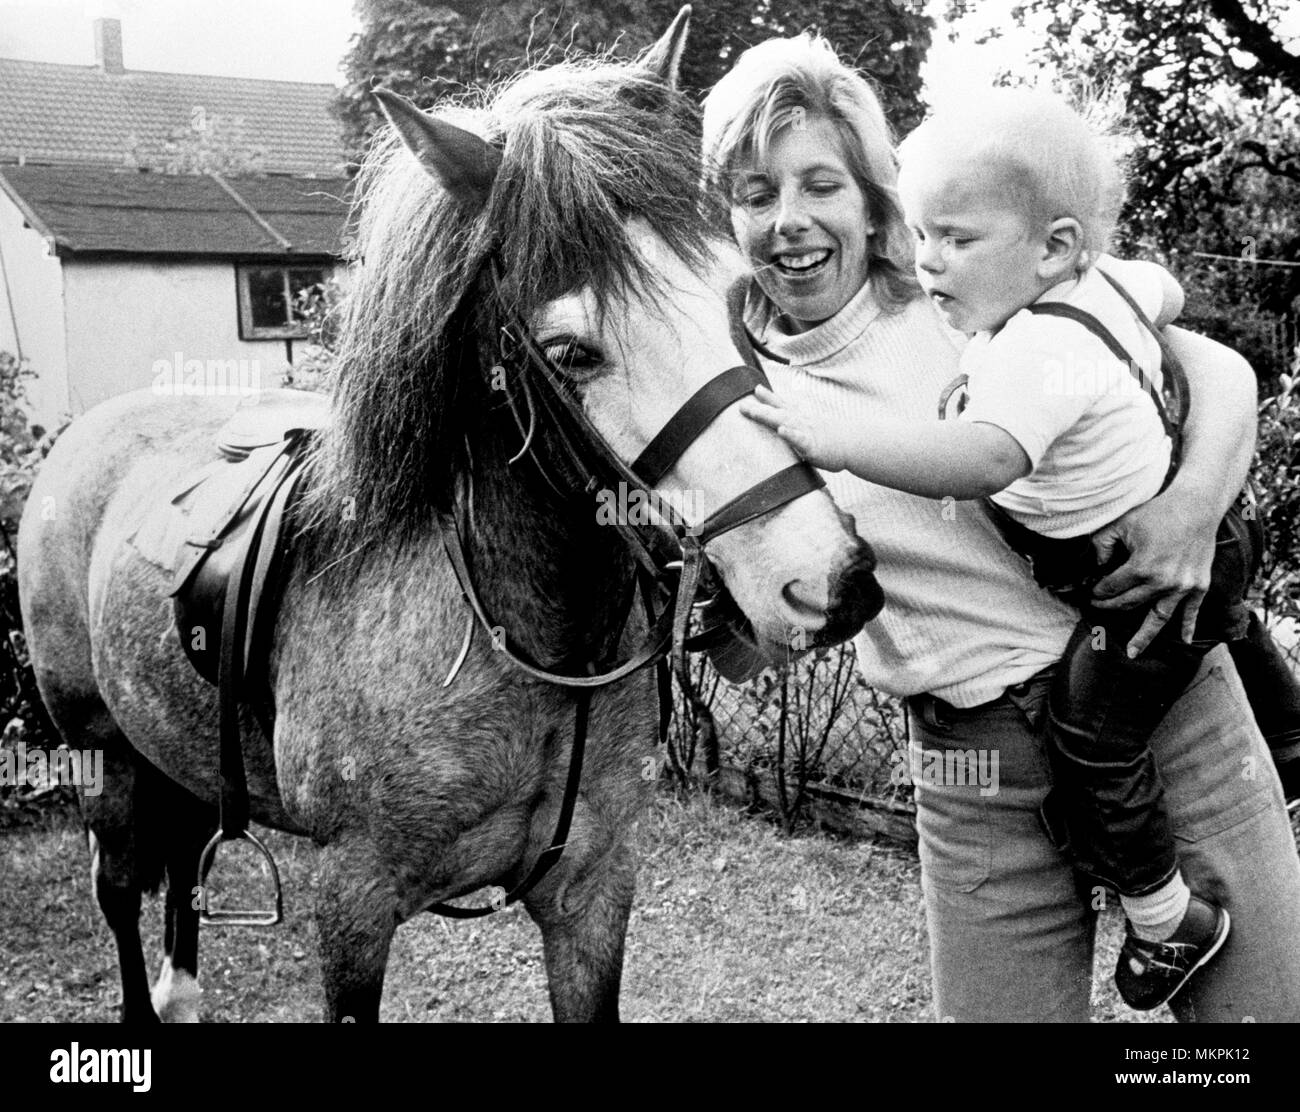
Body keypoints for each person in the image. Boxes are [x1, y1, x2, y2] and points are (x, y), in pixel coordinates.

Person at [701, 32, 1300, 1022]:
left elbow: (1221, 371)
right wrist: (728, 609)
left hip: (1158, 692)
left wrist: (1190, 511)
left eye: (820, 185)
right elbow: (748, 651)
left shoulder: (973, 280)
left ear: (872, 195)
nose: (789, 223)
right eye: (755, 193)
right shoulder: (729, 391)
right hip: (972, 768)